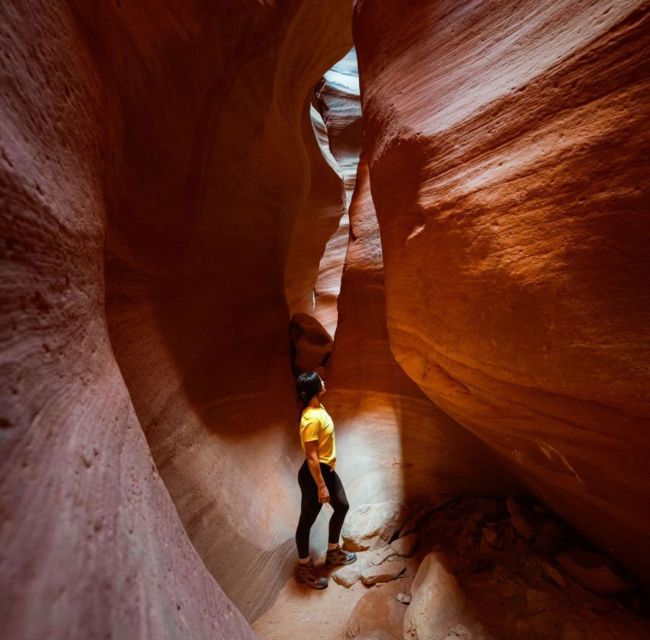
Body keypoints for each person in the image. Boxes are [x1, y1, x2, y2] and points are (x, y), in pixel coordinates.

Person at [295, 371, 357, 589]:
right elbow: (311, 457)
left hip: (326, 469)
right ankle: (304, 567)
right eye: (320, 380)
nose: (324, 381)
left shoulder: (316, 408)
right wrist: (321, 485)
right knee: (307, 521)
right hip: (315, 474)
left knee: (342, 506)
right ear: (314, 388)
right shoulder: (310, 418)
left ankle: (332, 552)